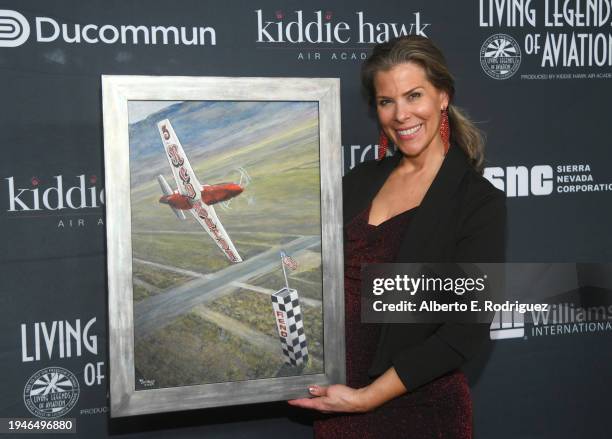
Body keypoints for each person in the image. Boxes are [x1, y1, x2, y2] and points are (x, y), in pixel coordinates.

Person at [288, 35, 506, 438]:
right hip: (339, 409)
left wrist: (368, 398)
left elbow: (465, 330)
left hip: (420, 412)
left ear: (443, 96)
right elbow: (322, 265)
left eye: (414, 95)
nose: (401, 114)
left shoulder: (476, 201)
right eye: (387, 101)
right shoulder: (360, 181)